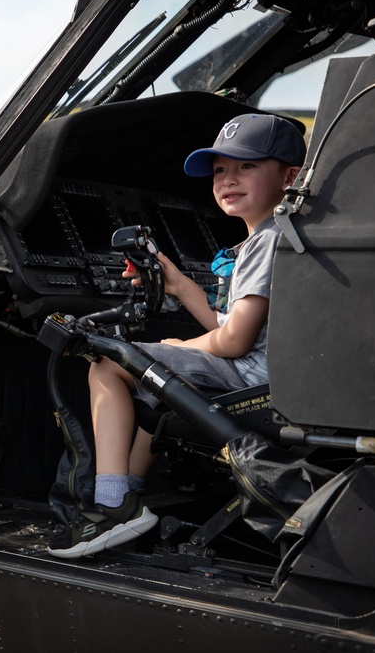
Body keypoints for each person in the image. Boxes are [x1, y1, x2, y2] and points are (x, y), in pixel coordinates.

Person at [48, 113, 306, 559]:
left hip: (257, 381)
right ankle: (129, 490)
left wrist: (177, 348)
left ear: (290, 176)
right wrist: (181, 285)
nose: (228, 180)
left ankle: (113, 506)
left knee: (112, 361)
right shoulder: (273, 238)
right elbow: (230, 329)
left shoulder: (268, 242)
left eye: (246, 167)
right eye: (220, 170)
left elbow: (232, 344)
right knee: (158, 379)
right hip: (267, 373)